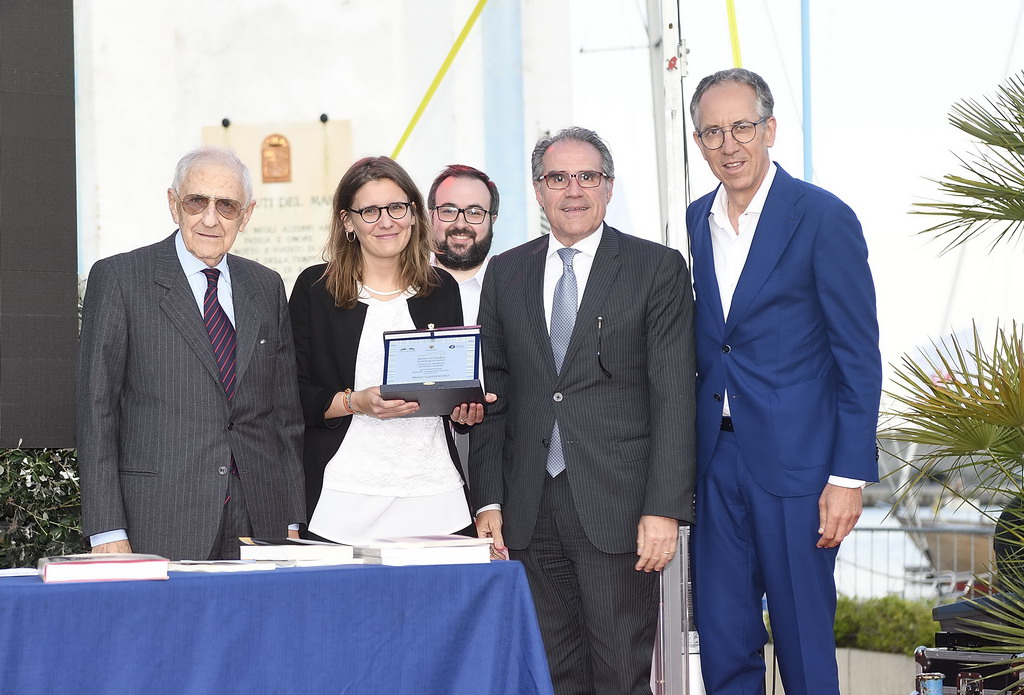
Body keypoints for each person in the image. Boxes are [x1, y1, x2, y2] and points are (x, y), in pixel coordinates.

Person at [471, 127, 696, 694]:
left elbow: (674, 398)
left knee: (619, 674)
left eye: (587, 176)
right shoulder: (506, 272)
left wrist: (664, 509)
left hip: (619, 512)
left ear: (609, 186)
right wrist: (489, 498)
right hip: (528, 510)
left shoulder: (656, 268)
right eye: (557, 178)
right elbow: (493, 394)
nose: (573, 190)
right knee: (550, 674)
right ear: (538, 190)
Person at [686, 68, 882, 694]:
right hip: (715, 462)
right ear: (699, 142)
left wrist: (847, 477)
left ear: (770, 129)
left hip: (800, 470)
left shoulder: (823, 217)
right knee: (723, 641)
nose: (729, 144)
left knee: (803, 646)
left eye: (742, 127)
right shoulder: (697, 220)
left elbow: (858, 357)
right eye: (712, 132)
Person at [77, 146, 306, 561]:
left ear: (247, 214)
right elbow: (97, 412)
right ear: (173, 204)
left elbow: (284, 416)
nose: (211, 218)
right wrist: (106, 530)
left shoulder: (266, 286)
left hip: (261, 520)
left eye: (227, 205)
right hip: (158, 518)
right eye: (197, 201)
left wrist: (290, 519)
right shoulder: (120, 279)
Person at [289, 156, 492, 544]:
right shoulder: (315, 289)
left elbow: (448, 389)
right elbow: (291, 395)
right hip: (342, 498)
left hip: (435, 495)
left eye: (396, 207)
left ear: (413, 214)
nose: (386, 221)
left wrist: (466, 409)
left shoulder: (441, 289)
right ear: (348, 222)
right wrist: (356, 402)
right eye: (370, 211)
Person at [428, 164, 499, 325]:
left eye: (474, 213)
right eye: (449, 211)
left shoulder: (513, 290)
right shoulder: (403, 285)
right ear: (431, 216)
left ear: (492, 220)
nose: (460, 224)